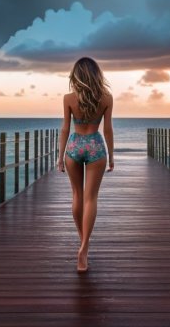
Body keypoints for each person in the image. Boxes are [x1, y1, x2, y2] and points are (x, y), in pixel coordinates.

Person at [56, 57, 114, 273]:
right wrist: (112, 153)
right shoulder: (106, 98)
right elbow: (107, 129)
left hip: (74, 146)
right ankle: (84, 246)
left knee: (77, 196)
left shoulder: (68, 98)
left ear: (76, 75)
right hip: (95, 147)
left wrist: (60, 157)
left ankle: (82, 243)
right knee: (91, 198)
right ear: (96, 75)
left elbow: (64, 128)